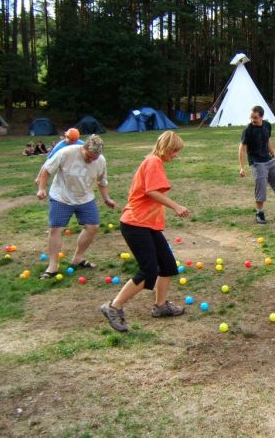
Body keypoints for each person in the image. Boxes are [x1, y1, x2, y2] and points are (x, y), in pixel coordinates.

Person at [101, 131, 190, 332]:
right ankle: (113, 307)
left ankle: (160, 307)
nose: (176, 155)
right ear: (166, 148)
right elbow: (151, 191)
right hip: (135, 224)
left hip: (146, 225)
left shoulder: (153, 162)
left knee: (167, 265)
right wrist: (176, 206)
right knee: (149, 271)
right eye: (175, 151)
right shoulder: (153, 162)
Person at [36, 135, 116, 279]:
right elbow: (47, 170)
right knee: (55, 228)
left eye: (95, 158)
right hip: (61, 196)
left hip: (85, 198)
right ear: (83, 148)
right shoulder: (66, 153)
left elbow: (101, 181)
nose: (91, 160)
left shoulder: (100, 161)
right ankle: (53, 266)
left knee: (93, 227)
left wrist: (107, 199)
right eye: (89, 156)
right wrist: (42, 188)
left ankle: (78, 258)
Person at [239, 105, 275, 224]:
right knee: (261, 189)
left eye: (255, 117)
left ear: (262, 117)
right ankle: (259, 213)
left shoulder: (267, 126)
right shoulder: (248, 130)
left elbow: (268, 140)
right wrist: (242, 168)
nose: (252, 120)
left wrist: (273, 154)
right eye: (251, 117)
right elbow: (242, 149)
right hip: (257, 163)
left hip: (268, 160)